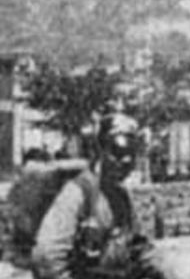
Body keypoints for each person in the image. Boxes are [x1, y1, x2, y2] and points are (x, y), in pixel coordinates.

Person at [32, 113, 180, 279]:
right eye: (117, 152)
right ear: (100, 151)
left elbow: (140, 248)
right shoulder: (78, 193)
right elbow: (47, 256)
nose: (125, 160)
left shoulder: (121, 198)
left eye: (131, 153)